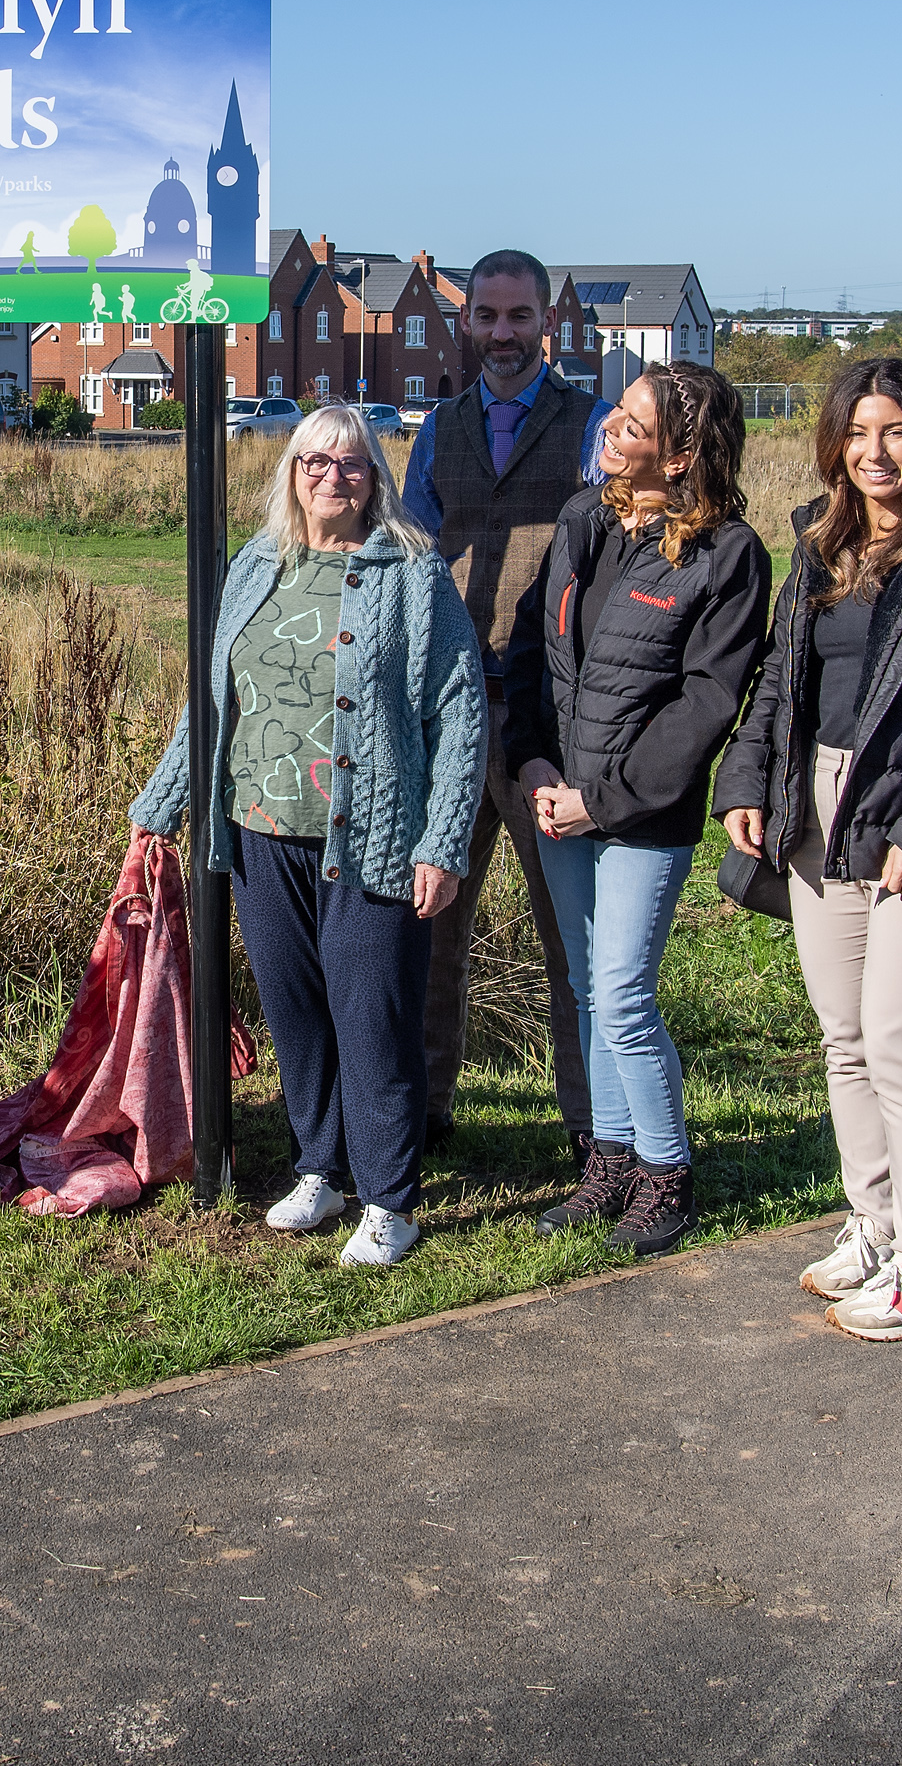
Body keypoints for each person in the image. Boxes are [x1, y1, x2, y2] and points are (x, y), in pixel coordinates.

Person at [129, 405, 483, 1266]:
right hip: (257, 832)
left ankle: (391, 1199)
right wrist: (158, 808)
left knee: (374, 1016)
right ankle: (321, 1165)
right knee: (296, 1013)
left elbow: (460, 711)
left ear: (377, 480)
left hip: (373, 836)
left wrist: (442, 839)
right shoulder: (254, 566)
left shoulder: (411, 574)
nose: (333, 476)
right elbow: (213, 702)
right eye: (315, 461)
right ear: (291, 471)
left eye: (353, 464)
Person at [716, 358, 902, 1337]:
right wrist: (744, 784)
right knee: (842, 1040)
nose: (874, 451)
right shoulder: (818, 541)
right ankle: (874, 1225)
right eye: (856, 433)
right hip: (817, 809)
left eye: (893, 430)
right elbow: (778, 681)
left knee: (899, 1043)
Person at [512, 362, 770, 1257]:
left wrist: (603, 799)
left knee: (622, 992)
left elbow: (705, 706)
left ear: (684, 448)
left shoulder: (727, 554)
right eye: (615, 415)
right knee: (587, 987)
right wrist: (534, 762)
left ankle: (668, 1173)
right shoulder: (584, 520)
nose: (611, 429)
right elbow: (531, 649)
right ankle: (611, 1159)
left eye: (633, 422)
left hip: (640, 816)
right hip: (557, 797)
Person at [395, 249, 613, 1161]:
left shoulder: (592, 425)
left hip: (546, 715)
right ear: (467, 322)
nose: (502, 334)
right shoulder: (438, 431)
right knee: (431, 916)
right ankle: (425, 1105)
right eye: (486, 315)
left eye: (518, 316)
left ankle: (592, 1120)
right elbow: (406, 562)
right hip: (448, 709)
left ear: (545, 326)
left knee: (575, 928)